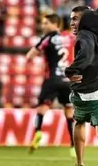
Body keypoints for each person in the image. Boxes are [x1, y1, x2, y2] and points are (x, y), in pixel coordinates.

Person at [65, 6, 98, 166]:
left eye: (75, 18)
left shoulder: (84, 35)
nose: (72, 23)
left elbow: (87, 55)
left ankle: (80, 162)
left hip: (82, 91)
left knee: (79, 122)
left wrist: (70, 70)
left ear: (86, 20)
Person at [26, 14, 75, 157]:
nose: (43, 26)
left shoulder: (48, 38)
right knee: (69, 113)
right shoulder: (71, 38)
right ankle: (73, 146)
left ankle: (38, 132)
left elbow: (30, 55)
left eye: (46, 23)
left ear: (55, 24)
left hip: (52, 79)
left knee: (41, 108)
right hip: (68, 80)